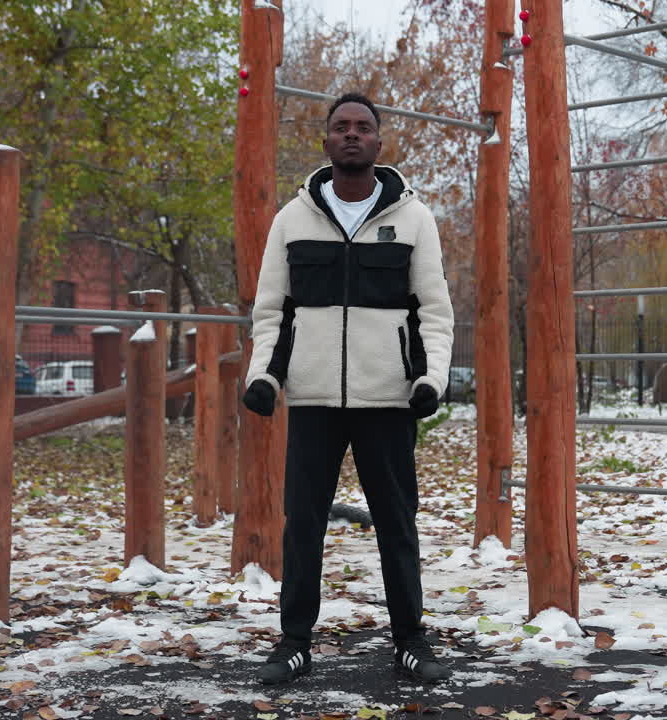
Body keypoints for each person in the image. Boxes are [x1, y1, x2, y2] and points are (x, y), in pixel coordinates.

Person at [240, 92, 455, 685]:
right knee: (302, 522)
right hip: (311, 403)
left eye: (363, 127)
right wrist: (264, 377)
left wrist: (430, 379)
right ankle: (293, 643)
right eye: (341, 127)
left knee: (396, 522)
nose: (352, 134)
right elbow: (271, 313)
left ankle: (411, 639)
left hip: (388, 401)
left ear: (378, 142)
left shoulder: (412, 219)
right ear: (326, 140)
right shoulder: (292, 219)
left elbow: (433, 311)